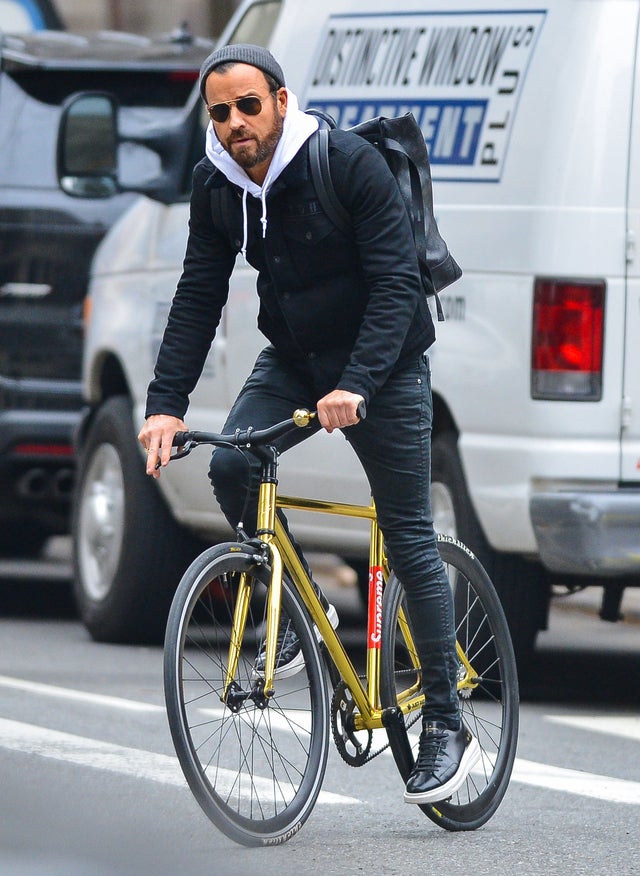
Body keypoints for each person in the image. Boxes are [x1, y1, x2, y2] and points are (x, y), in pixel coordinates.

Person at [138, 43, 480, 805]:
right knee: (231, 465)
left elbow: (398, 283)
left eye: (247, 106)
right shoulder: (217, 185)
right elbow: (198, 294)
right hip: (295, 357)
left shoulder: (345, 163)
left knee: (408, 532)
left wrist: (357, 383)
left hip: (383, 365)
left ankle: (445, 724)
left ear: (281, 103)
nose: (234, 124)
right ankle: (300, 603)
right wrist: (165, 404)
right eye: (219, 112)